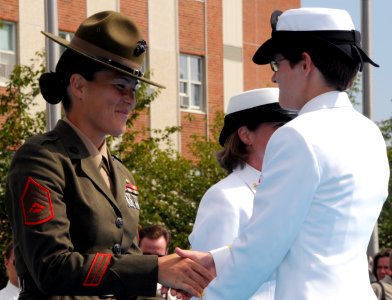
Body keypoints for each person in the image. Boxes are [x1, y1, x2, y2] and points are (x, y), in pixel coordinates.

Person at [176, 7, 390, 300]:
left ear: (305, 63)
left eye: (277, 64)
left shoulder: (298, 135)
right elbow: (309, 239)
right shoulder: (369, 134)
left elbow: (264, 248)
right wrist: (216, 260)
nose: (275, 78)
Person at [4, 10, 213, 300]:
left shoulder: (121, 174)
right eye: (119, 86)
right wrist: (154, 268)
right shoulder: (42, 159)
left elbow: (127, 262)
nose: (130, 99)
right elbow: (51, 268)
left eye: (134, 88)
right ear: (78, 85)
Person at [188, 88, 296, 299]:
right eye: (280, 127)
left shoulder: (288, 189)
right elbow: (210, 283)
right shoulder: (225, 197)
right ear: (246, 135)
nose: (290, 134)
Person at [138, 225, 176, 300]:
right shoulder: (122, 278)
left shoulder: (176, 285)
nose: (152, 262)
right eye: (146, 255)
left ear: (166, 252)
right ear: (137, 249)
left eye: (158, 257)